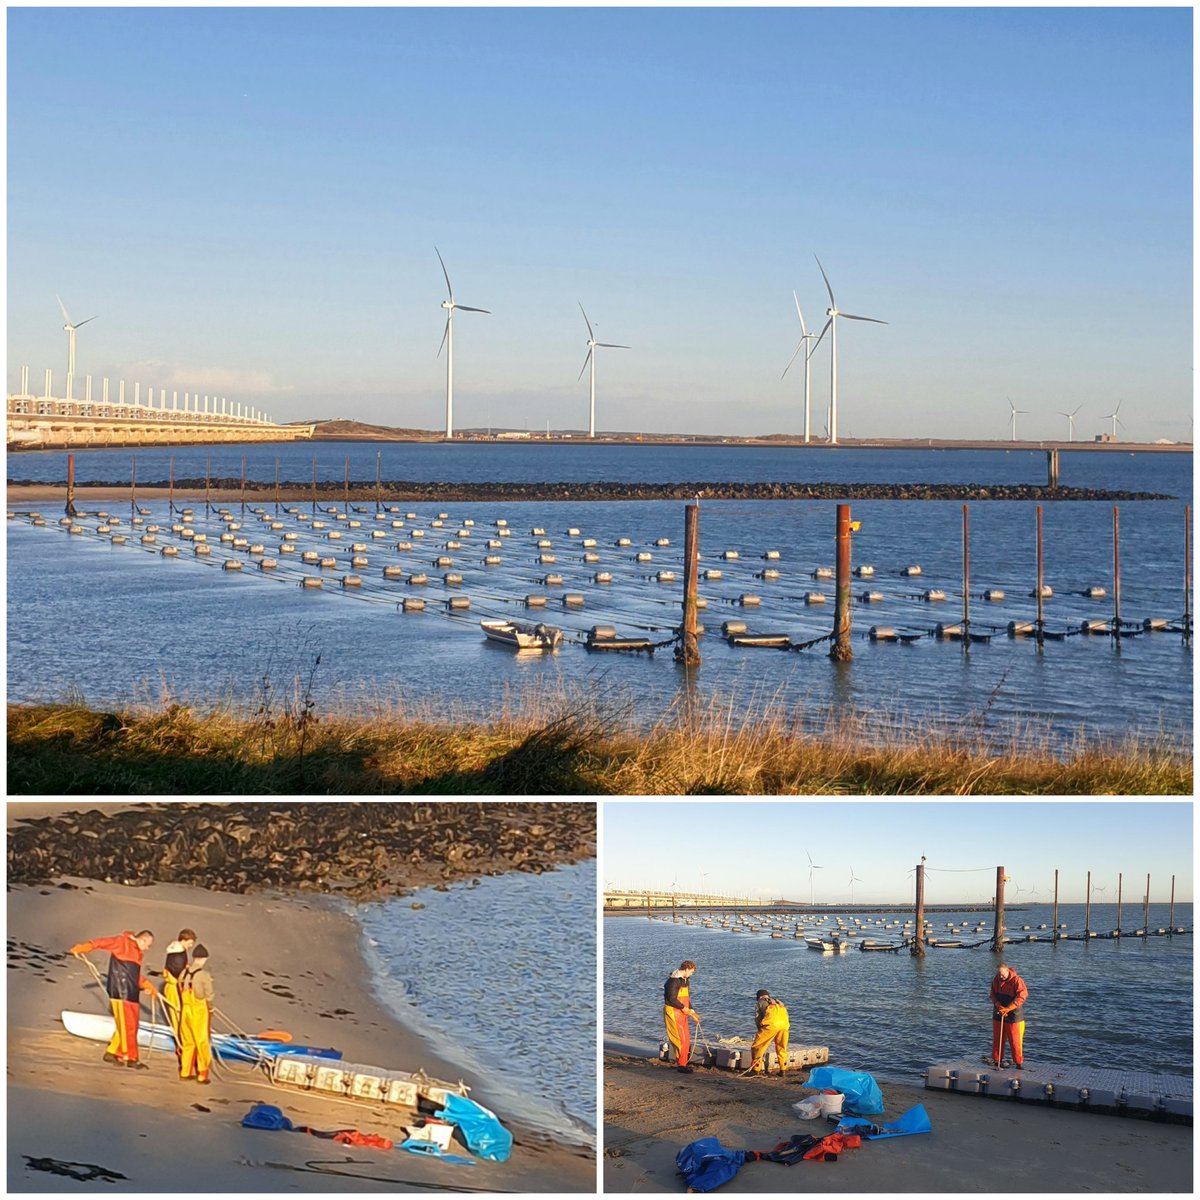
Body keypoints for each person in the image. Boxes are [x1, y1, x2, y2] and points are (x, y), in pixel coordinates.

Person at [68, 929, 158, 1068]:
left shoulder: (137, 954)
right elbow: (102, 942)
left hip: (131, 993)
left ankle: (112, 1052)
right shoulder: (122, 942)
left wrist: (146, 985)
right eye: (148, 945)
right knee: (127, 1026)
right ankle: (130, 1057)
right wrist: (84, 947)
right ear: (142, 940)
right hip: (121, 992)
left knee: (130, 1025)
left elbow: (133, 974)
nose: (147, 948)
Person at [179, 943, 215, 1085]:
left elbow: (179, 987)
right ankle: (202, 1074)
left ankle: (185, 1071)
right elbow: (209, 994)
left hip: (185, 1009)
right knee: (202, 1042)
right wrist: (210, 1007)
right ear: (204, 959)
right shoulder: (203, 975)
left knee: (187, 1041)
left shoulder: (183, 973)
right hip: (198, 1009)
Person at [162, 929, 197, 1065]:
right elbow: (179, 973)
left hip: (174, 986)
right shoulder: (177, 955)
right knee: (178, 1016)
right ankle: (181, 1045)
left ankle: (182, 1044)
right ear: (184, 940)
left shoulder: (179, 952)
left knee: (179, 1015)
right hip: (174, 988)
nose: (191, 946)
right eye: (190, 943)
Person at [989, 963, 1028, 1069]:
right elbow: (992, 995)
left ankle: (1018, 1063)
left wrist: (1008, 1009)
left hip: (1014, 1015)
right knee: (997, 1038)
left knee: (1015, 1040)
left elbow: (1022, 996)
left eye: (1002, 974)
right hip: (999, 1013)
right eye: (999, 974)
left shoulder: (1017, 980)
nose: (1001, 976)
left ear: (1008, 971)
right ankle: (997, 1060)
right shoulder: (996, 980)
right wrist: (999, 1006)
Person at [663, 960, 699, 1073]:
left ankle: (682, 1062)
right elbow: (672, 999)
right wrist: (684, 1008)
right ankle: (681, 1065)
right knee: (680, 1039)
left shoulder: (686, 980)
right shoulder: (673, 981)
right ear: (686, 969)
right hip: (673, 1011)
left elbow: (686, 998)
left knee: (686, 1039)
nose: (691, 974)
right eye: (691, 972)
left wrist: (692, 1011)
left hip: (682, 1012)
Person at [750, 989, 790, 1074]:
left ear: (759, 997)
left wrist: (760, 1031)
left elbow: (758, 1018)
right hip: (784, 1026)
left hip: (771, 1025)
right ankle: (783, 1069)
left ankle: (756, 1069)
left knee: (757, 1046)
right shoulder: (778, 1002)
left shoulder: (760, 1002)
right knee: (781, 1047)